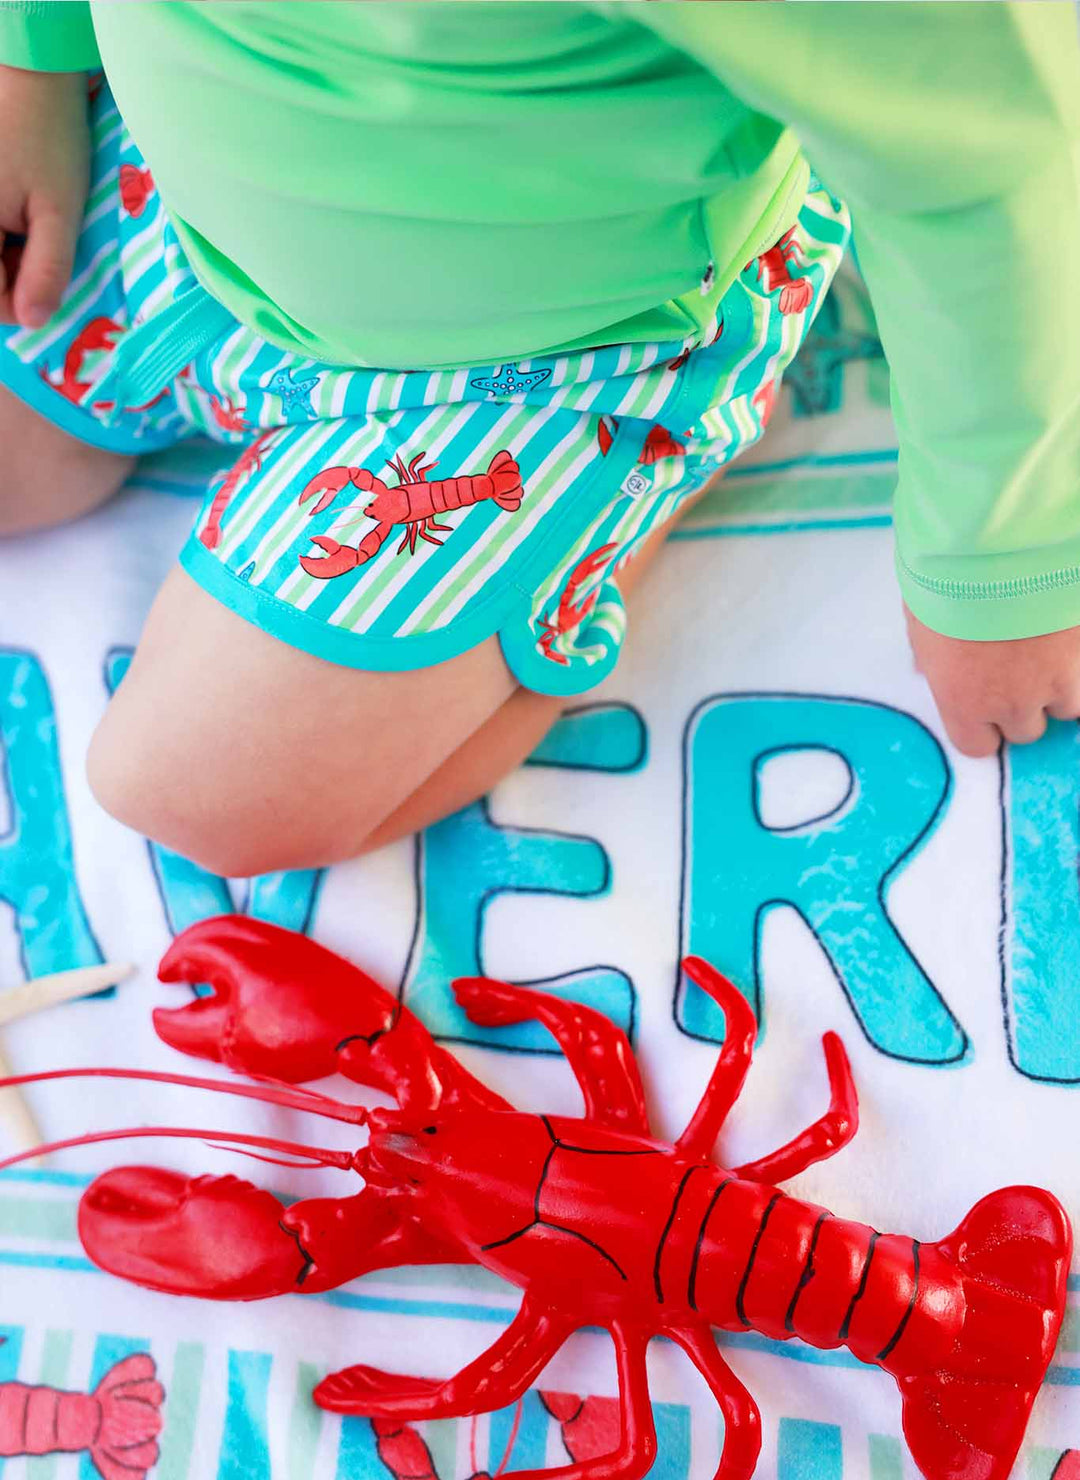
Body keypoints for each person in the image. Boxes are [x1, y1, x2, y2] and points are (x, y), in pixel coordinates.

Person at [0, 3, 1076, 878]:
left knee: (206, 799)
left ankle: (654, 453)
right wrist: (32, 55)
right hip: (177, 186)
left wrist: (1003, 555)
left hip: (557, 354)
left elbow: (991, 164)